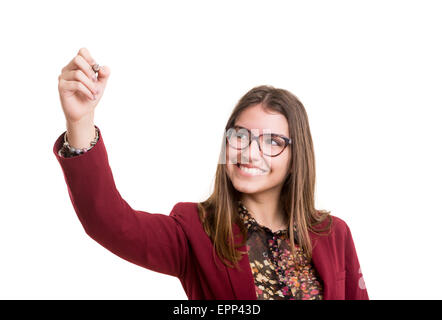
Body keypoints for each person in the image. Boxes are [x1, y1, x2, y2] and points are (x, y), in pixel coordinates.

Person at [54, 47, 369, 300]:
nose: (249, 152)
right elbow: (108, 221)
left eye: (272, 141)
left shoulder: (333, 233)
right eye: (241, 136)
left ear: (296, 156)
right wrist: (81, 122)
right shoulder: (196, 230)